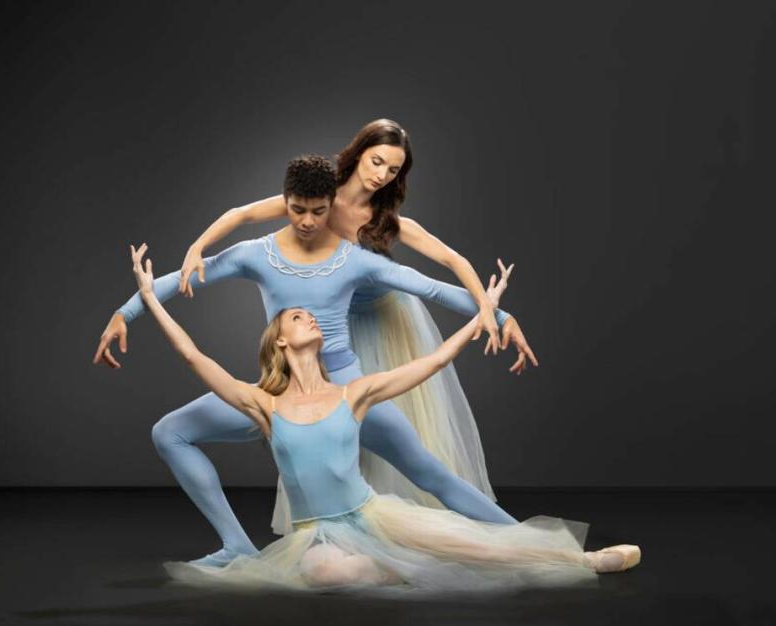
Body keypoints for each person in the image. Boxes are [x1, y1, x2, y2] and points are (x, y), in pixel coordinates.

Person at [127, 243, 640, 593]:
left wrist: (488, 313)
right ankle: (411, 563)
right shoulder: (264, 404)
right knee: (329, 576)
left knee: (474, 545)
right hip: (317, 534)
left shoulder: (355, 393)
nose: (306, 313)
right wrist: (148, 299)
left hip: (373, 515)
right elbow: (194, 357)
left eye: (310, 314)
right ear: (280, 339)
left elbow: (432, 363)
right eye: (294, 315)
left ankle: (583, 561)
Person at [94, 155, 520, 567]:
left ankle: (529, 546)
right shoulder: (255, 254)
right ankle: (237, 544)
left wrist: (500, 315)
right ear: (285, 202)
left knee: (432, 474)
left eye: (318, 211)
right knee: (170, 432)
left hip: (346, 393)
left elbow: (432, 288)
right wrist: (124, 313)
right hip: (280, 396)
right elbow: (181, 277)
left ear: (331, 205)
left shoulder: (354, 259)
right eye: (297, 210)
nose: (308, 221)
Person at [173, 119, 538, 531]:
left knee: (401, 446)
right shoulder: (317, 198)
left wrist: (498, 315)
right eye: (376, 161)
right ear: (358, 153)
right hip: (328, 324)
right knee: (329, 432)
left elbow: (442, 274)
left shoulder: (386, 219)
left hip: (383, 315)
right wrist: (197, 247)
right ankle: (341, 531)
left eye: (393, 170)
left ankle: (417, 528)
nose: (381, 175)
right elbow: (240, 215)